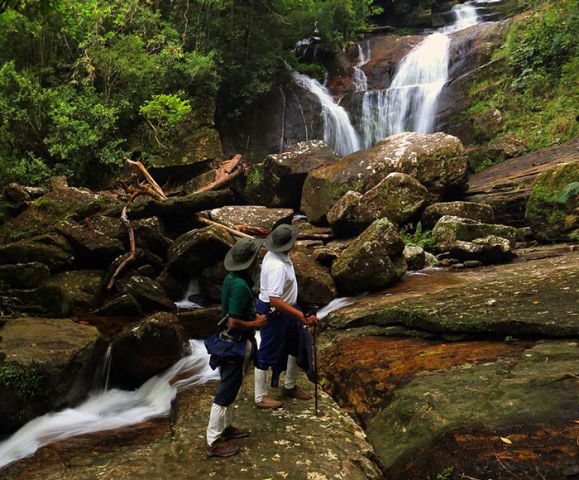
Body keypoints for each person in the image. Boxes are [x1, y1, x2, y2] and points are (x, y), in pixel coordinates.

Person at [205, 237, 267, 458]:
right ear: (249, 263)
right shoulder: (241, 286)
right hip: (235, 345)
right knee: (226, 390)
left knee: (232, 387)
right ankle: (213, 440)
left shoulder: (232, 278)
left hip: (230, 342)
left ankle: (227, 428)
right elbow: (233, 322)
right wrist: (257, 323)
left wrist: (252, 315)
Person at [254, 224, 319, 409]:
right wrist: (300, 315)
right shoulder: (277, 266)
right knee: (267, 350)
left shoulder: (277, 255)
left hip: (289, 308)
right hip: (275, 312)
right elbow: (274, 300)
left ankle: (289, 385)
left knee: (296, 344)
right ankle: (260, 397)